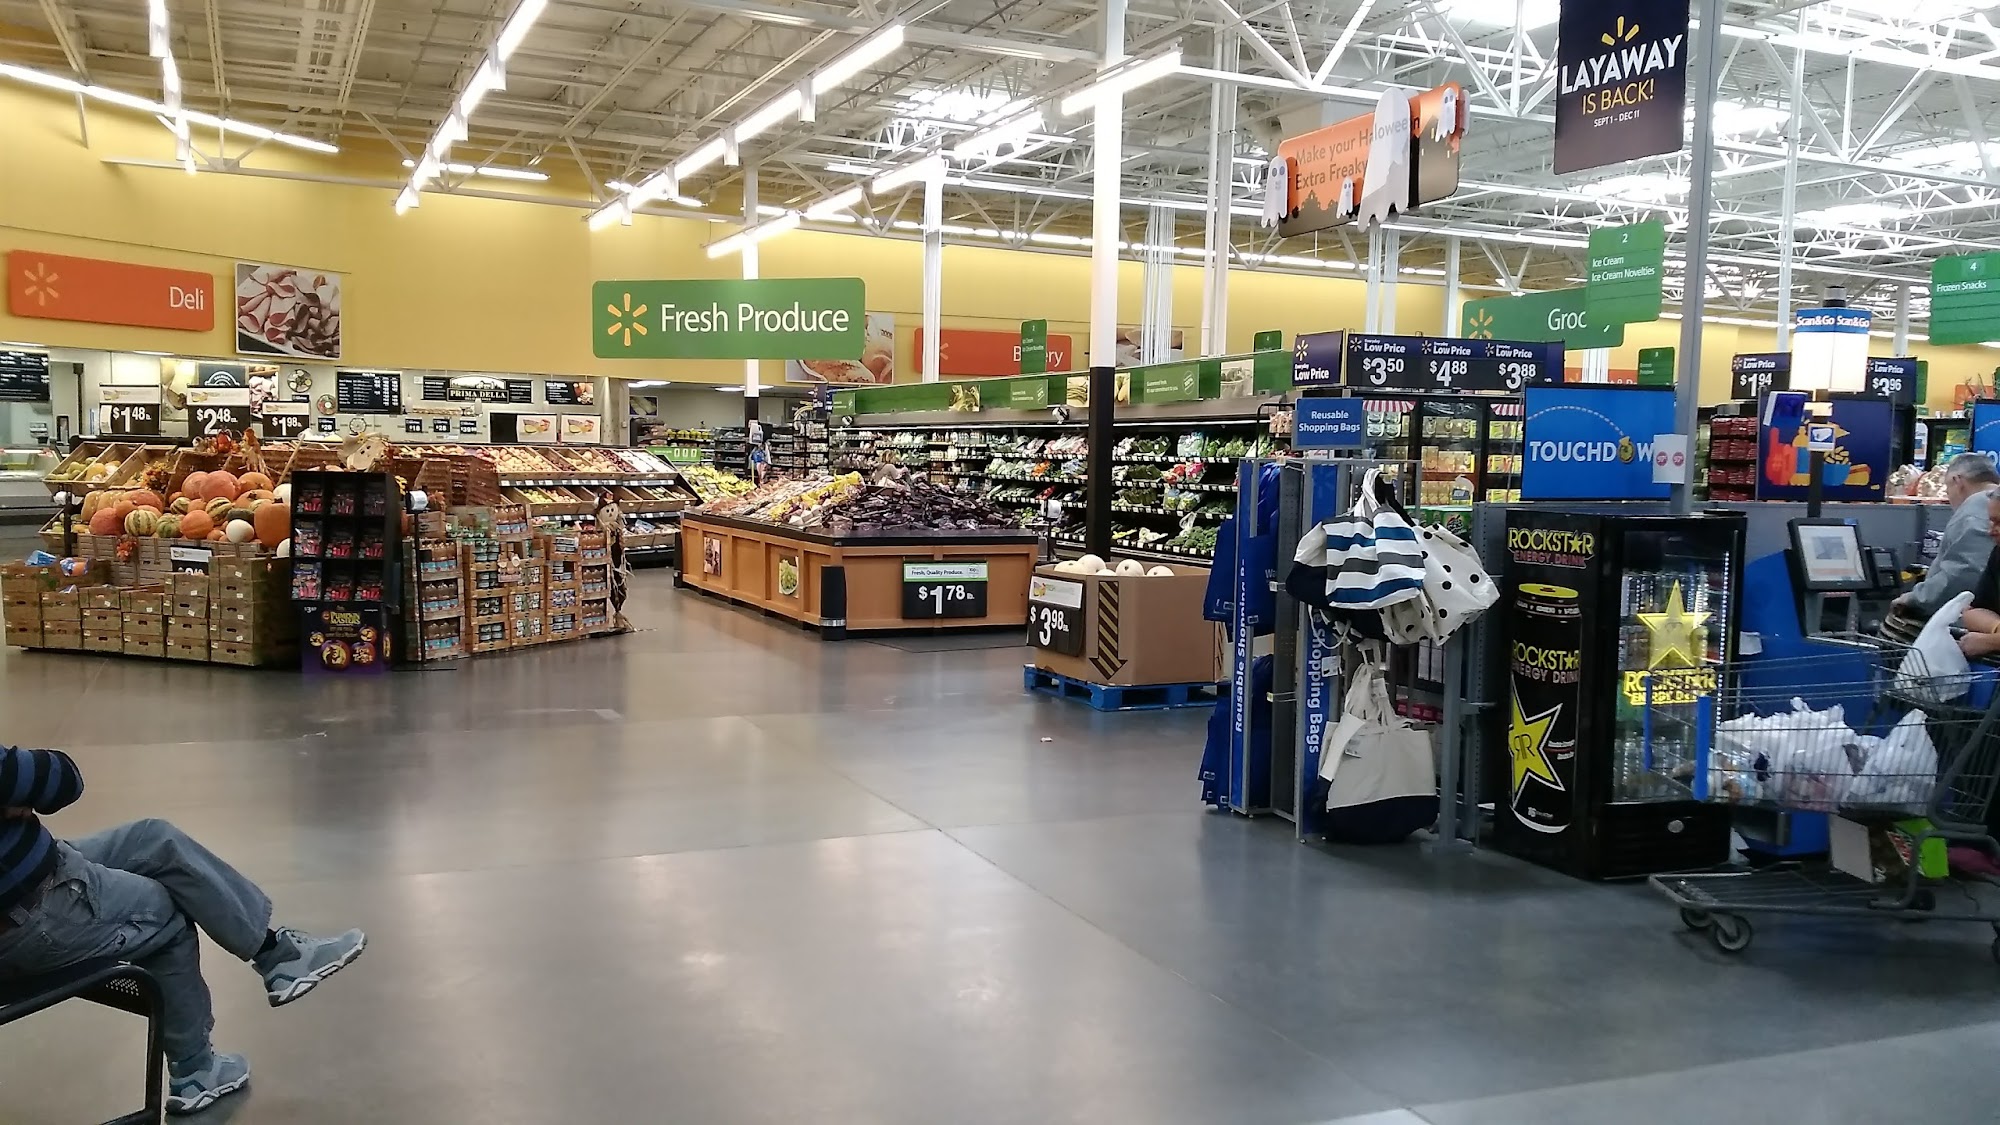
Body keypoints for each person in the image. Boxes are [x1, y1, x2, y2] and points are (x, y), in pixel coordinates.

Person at [0, 746, 365, 1115]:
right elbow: (61, 779)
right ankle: (195, 1070)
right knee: (165, 918)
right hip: (30, 912)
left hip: (38, 872)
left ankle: (276, 954)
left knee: (156, 840)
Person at [1889, 454, 2000, 633]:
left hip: (1971, 626)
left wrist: (1916, 598)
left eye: (1948, 490)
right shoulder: (1990, 502)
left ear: (1958, 481)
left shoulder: (1975, 508)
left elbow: (1965, 573)